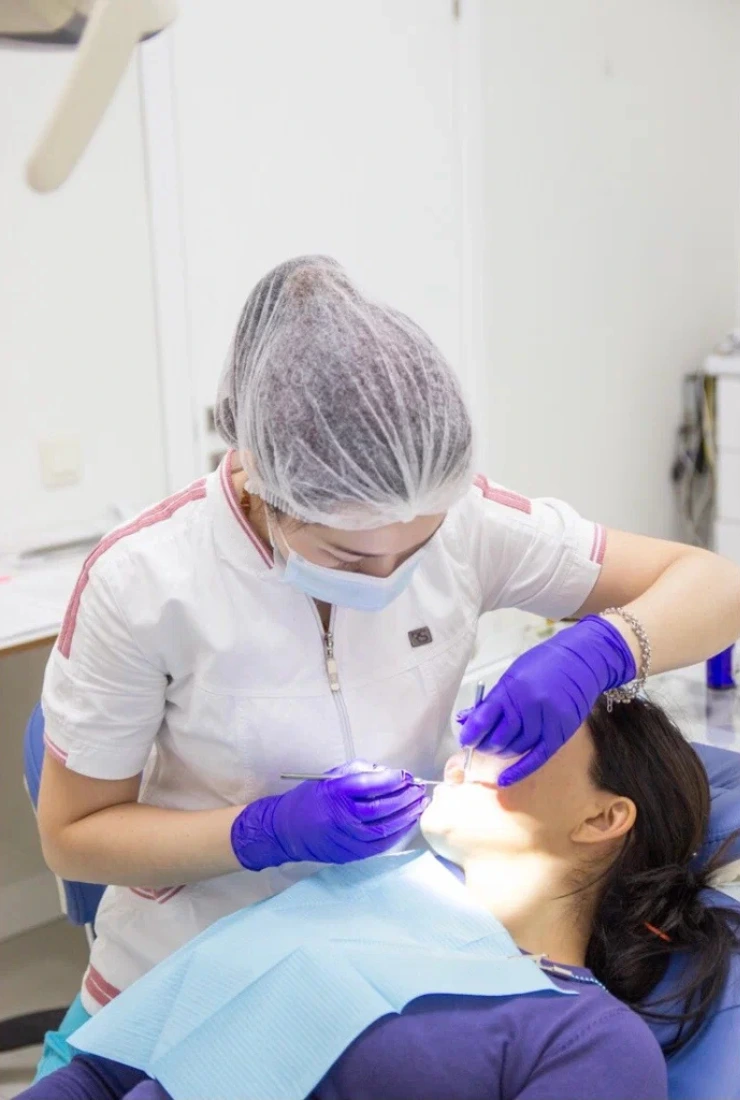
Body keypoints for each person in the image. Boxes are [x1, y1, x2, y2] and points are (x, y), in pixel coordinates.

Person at [35, 255, 740, 1074]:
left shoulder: (470, 521)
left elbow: (715, 585)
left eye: (420, 544)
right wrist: (258, 833)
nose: (391, 577)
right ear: (262, 481)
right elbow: (74, 835)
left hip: (368, 962)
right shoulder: (144, 581)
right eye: (347, 553)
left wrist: (607, 645)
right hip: (173, 985)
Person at [19, 696, 740, 1100]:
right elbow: (97, 1077)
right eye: (483, 723)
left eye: (524, 737)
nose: (473, 742)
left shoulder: (586, 1038)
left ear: (604, 818)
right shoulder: (343, 896)